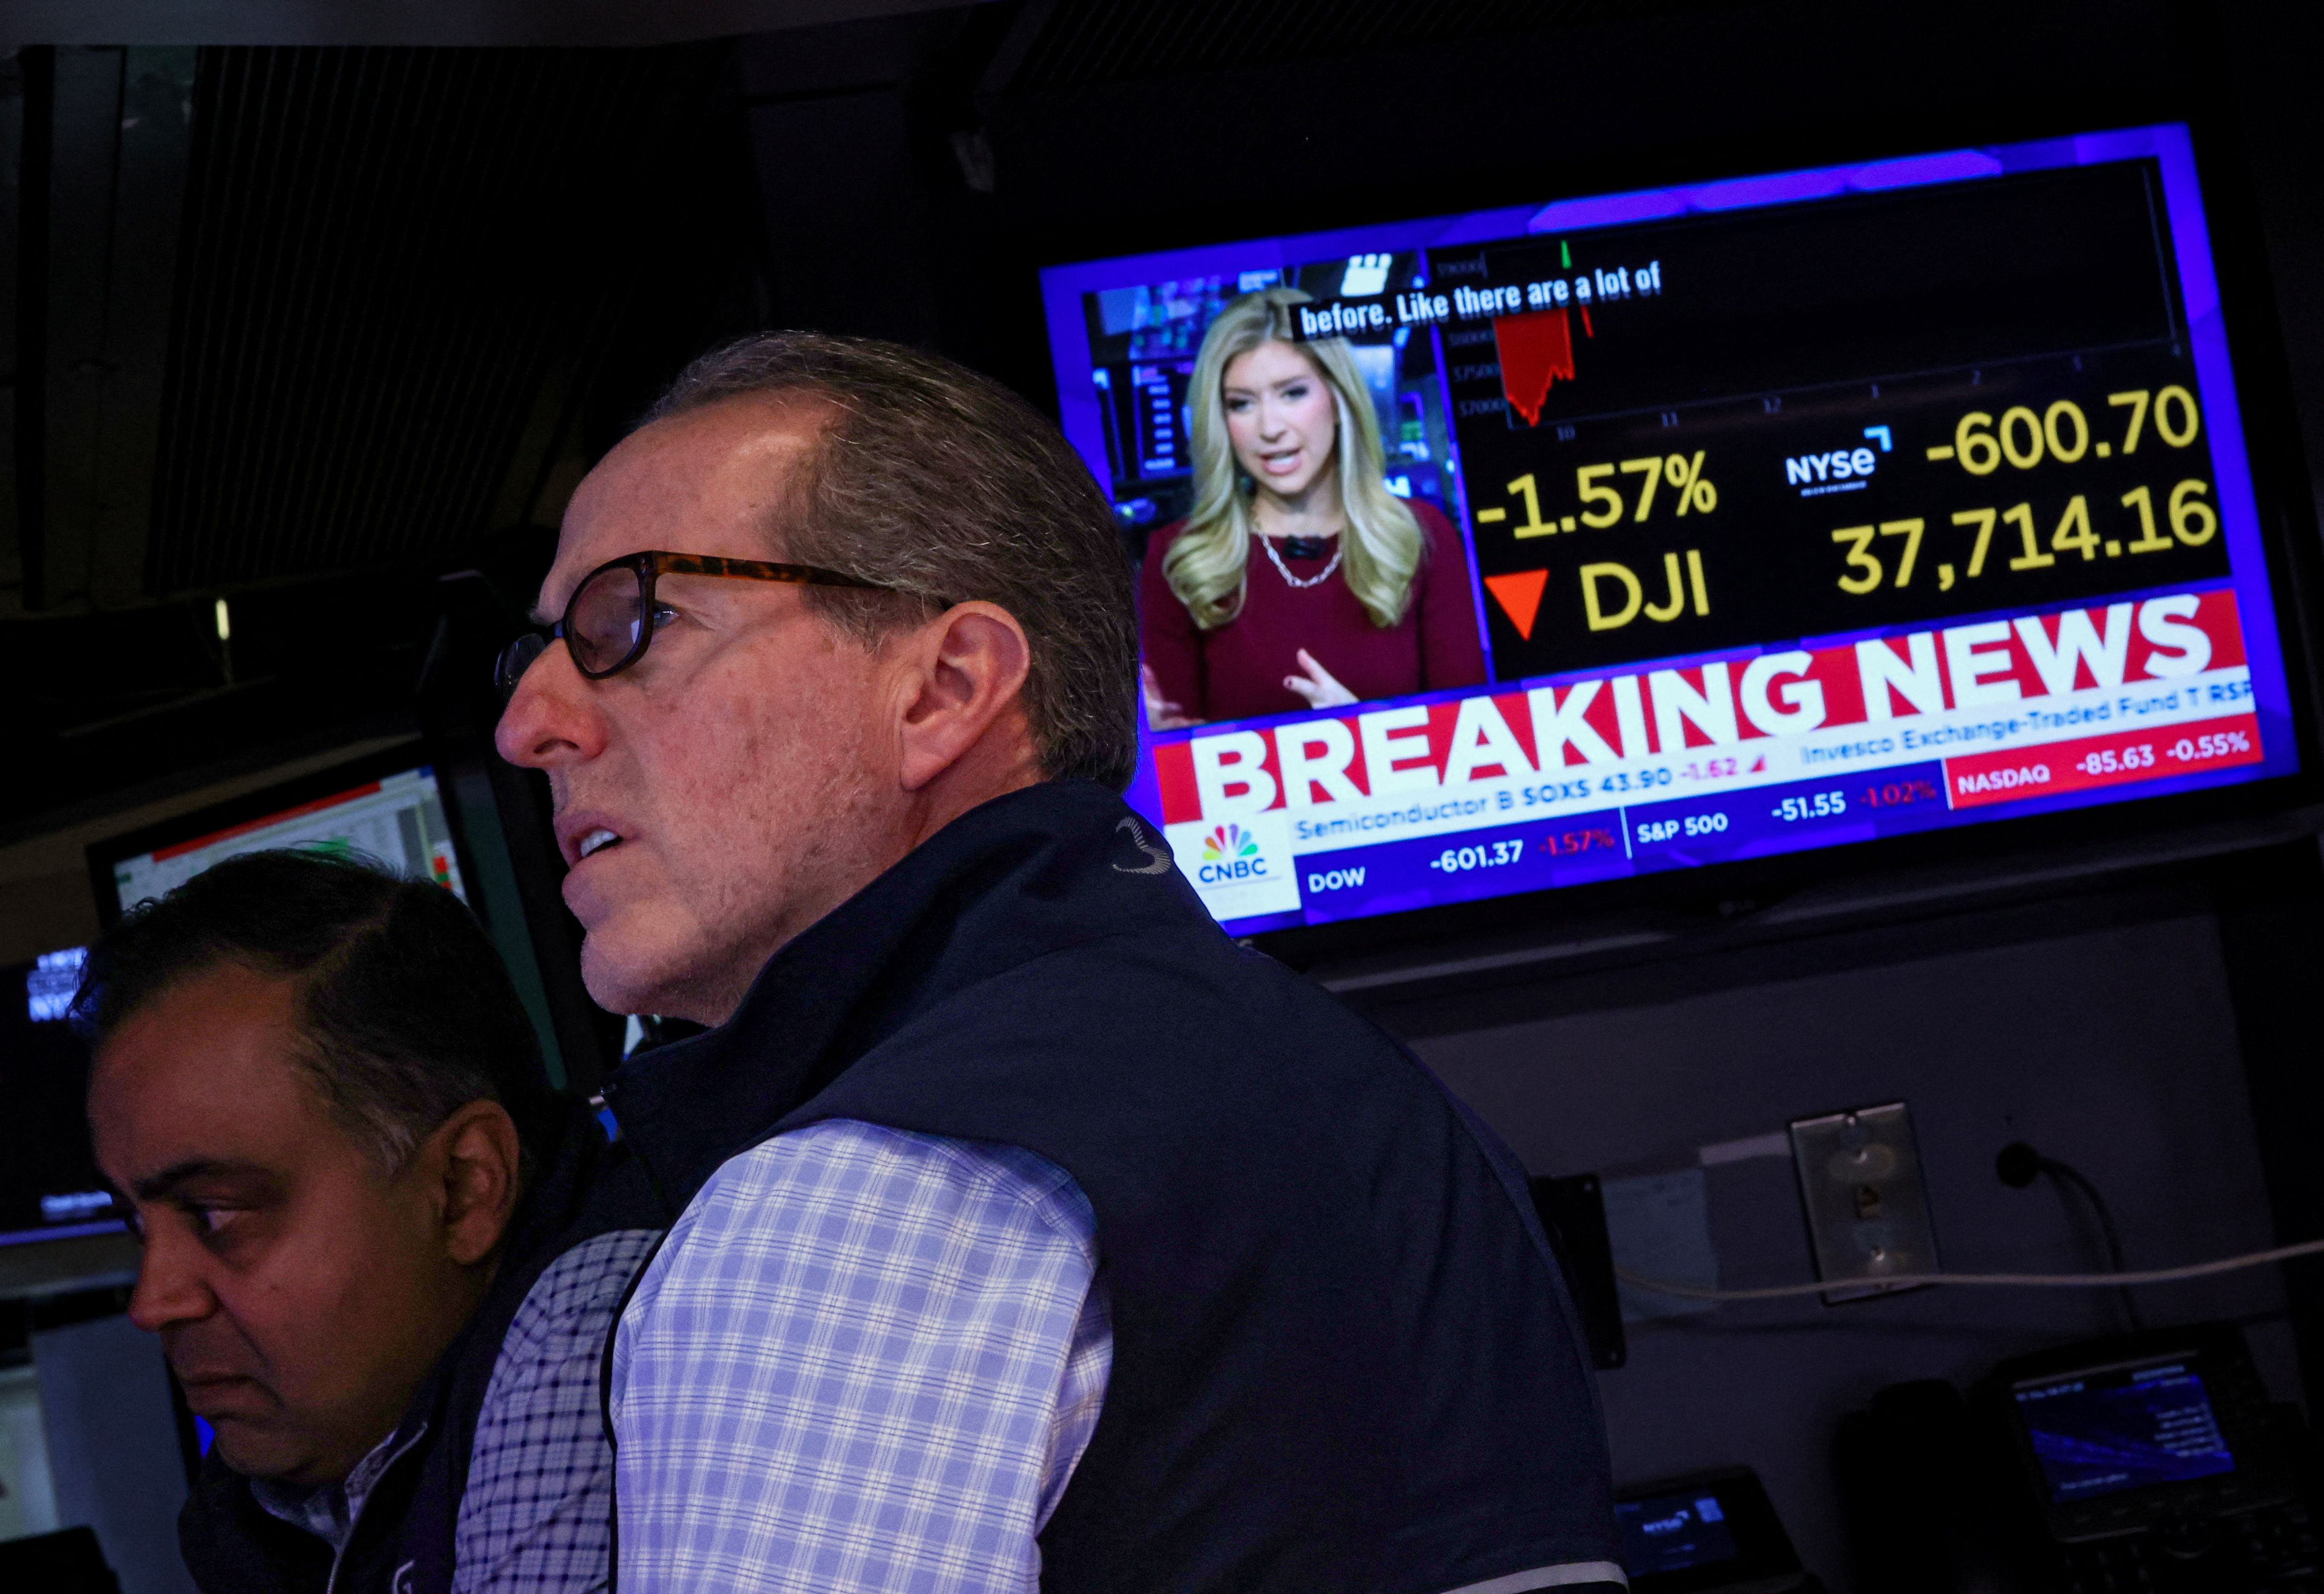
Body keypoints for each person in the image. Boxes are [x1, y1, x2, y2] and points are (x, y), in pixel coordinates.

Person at [493, 331, 1626, 1593]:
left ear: (943, 689)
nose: (529, 723)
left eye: (631, 620)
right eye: (538, 649)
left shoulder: (861, 1195)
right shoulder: (1404, 1115)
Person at [82, 850, 663, 1594]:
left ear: (463, 1189)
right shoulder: (277, 1501)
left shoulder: (596, 1335)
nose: (153, 1302)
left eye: (217, 1212)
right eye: (138, 1224)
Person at [1139, 287, 1482, 726]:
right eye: (1241, 404)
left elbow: (1471, 733)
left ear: (1339, 401)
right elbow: (1175, 768)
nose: (1269, 428)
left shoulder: (1421, 537)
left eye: (1293, 394)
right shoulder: (1180, 559)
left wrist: (1364, 729)